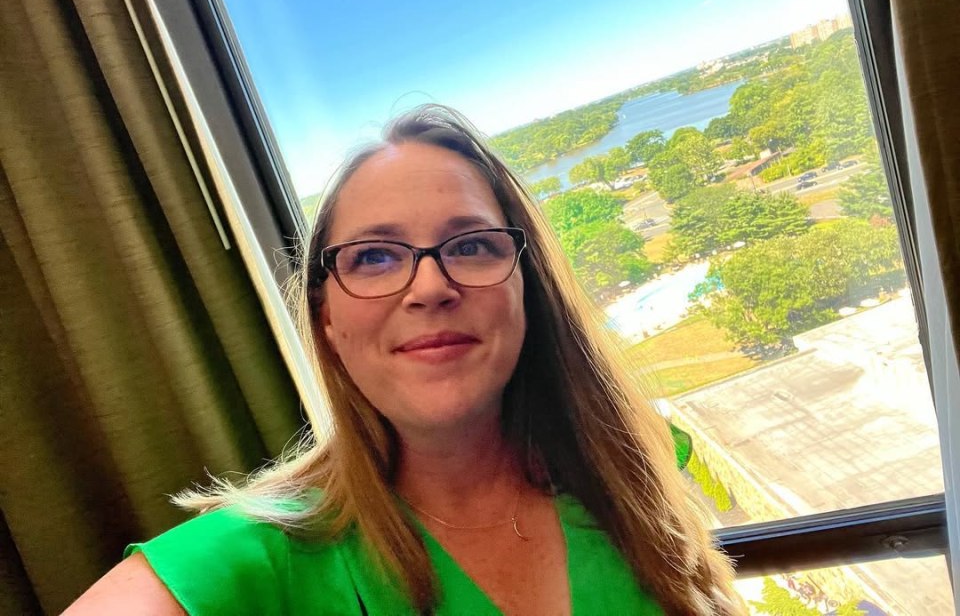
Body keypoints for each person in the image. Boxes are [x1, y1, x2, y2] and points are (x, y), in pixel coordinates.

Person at [65, 105, 743, 615]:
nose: (429, 287)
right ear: (327, 317)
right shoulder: (254, 558)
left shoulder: (632, 469)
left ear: (525, 286)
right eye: (375, 257)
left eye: (472, 244)